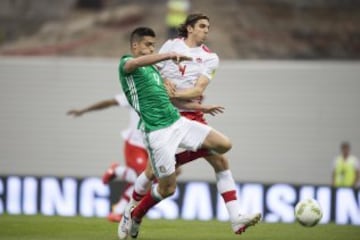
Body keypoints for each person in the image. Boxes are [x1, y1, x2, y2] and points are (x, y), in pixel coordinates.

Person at [116, 26, 261, 239]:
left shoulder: (154, 72)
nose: (151, 49)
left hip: (178, 123)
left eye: (153, 46)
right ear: (135, 45)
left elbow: (170, 100)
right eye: (147, 45)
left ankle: (234, 216)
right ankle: (134, 214)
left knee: (223, 144)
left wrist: (202, 108)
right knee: (167, 189)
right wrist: (166, 54)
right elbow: (135, 63)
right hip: (157, 133)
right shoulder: (126, 64)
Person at [67, 94, 147, 222]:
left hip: (152, 147)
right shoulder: (135, 93)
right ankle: (117, 171)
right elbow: (109, 102)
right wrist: (83, 110)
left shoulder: (165, 94)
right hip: (135, 145)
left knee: (146, 182)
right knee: (143, 179)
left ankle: (117, 211)